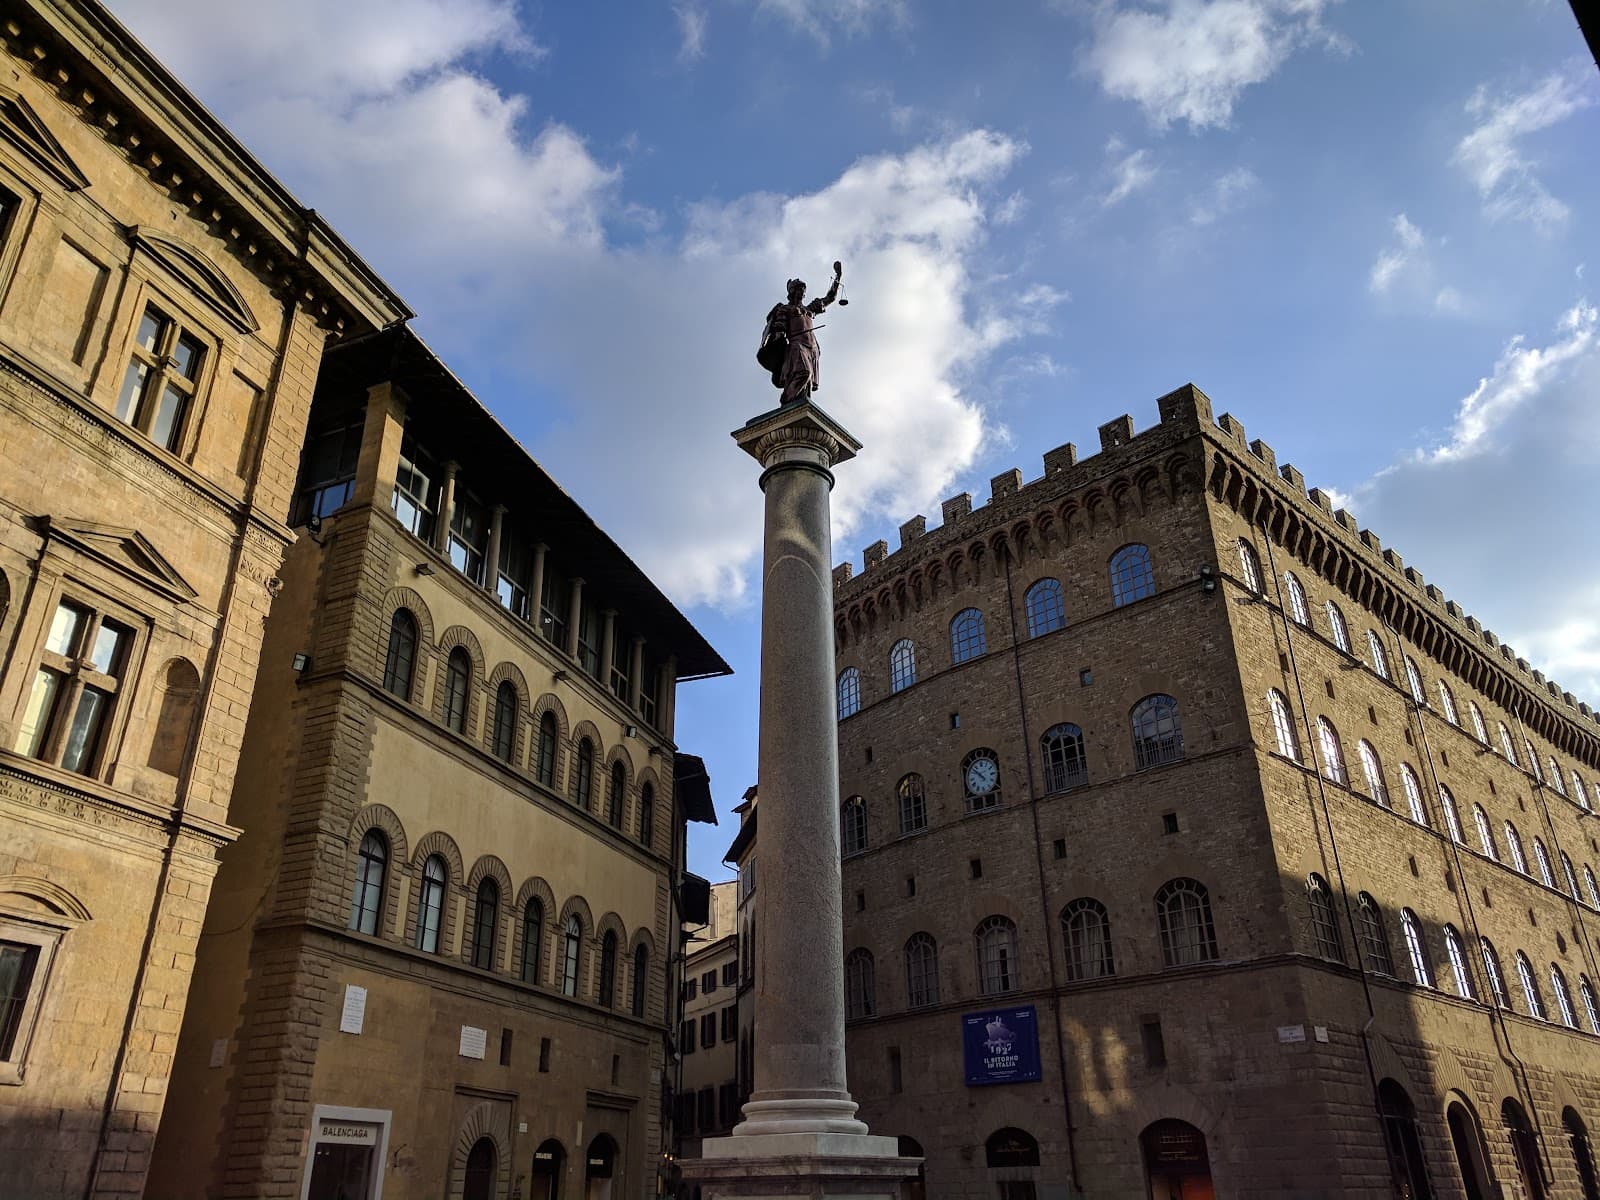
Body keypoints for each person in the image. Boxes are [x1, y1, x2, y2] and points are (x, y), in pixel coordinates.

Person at [760, 263, 841, 405]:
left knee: (807, 386)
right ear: (792, 292)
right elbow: (779, 326)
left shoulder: (809, 309)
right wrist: (777, 336)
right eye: (799, 289)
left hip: (812, 348)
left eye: (804, 290)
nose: (802, 292)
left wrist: (838, 277)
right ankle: (787, 402)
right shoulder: (786, 309)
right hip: (797, 345)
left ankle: (802, 407)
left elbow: (830, 298)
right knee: (804, 373)